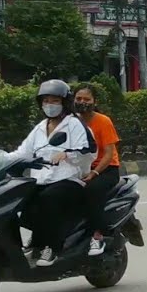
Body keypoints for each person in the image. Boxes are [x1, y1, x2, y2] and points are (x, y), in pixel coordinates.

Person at [10, 80, 92, 267]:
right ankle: (36, 241)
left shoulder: (73, 124)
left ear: (64, 103)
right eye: (46, 101)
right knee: (19, 199)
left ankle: (53, 248)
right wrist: (2, 159)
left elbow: (85, 151)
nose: (49, 105)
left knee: (49, 199)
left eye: (54, 101)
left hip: (68, 179)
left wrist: (66, 154)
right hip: (42, 179)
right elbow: (23, 151)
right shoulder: (40, 127)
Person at [75, 84, 121, 257]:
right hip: (81, 168)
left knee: (92, 191)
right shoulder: (72, 121)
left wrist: (94, 173)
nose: (82, 102)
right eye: (78, 99)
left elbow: (109, 154)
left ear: (95, 101)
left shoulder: (103, 121)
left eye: (86, 99)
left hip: (106, 169)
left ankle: (98, 235)